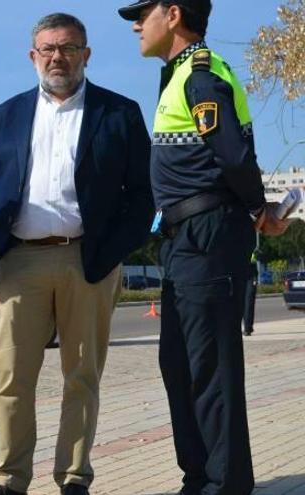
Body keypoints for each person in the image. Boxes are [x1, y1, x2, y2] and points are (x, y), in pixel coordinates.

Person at [0, 13, 153, 495]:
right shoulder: (6, 114)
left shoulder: (120, 113)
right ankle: (8, 479)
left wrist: (110, 252)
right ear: (33, 57)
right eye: (47, 49)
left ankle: (74, 478)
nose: (57, 57)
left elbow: (142, 196)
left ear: (86, 55)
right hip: (20, 260)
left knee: (82, 377)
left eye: (68, 48)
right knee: (11, 378)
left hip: (87, 261)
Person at [118, 1, 290, 493]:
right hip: (185, 240)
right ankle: (199, 477)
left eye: (143, 12)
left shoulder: (201, 73)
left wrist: (260, 210)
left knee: (209, 367)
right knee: (179, 364)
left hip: (207, 235)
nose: (135, 23)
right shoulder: (179, 75)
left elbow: (232, 153)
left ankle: (224, 483)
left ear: (172, 15)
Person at [242, 247, 258, 336]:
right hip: (247, 276)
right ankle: (248, 327)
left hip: (250, 276)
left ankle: (248, 328)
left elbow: (253, 260)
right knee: (248, 303)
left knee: (248, 303)